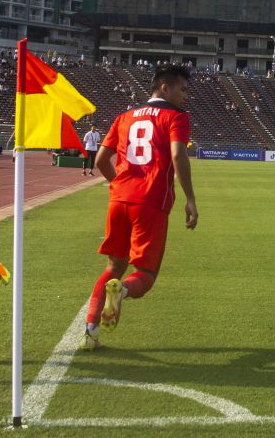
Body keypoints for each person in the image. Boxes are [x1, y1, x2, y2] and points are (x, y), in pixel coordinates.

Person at [79, 65, 198, 351]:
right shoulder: (176, 117)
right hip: (151, 202)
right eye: (182, 89)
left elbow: (100, 162)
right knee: (145, 272)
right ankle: (123, 293)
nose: (185, 96)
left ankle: (90, 331)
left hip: (119, 200)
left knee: (113, 267)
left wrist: (119, 185)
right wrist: (190, 198)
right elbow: (178, 154)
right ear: (164, 88)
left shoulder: (124, 117)